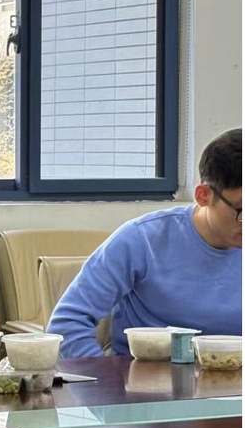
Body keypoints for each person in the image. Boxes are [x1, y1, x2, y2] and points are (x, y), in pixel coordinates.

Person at [47, 128, 242, 358]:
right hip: (146, 377)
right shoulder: (141, 240)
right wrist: (102, 376)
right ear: (203, 196)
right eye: (241, 210)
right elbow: (67, 324)